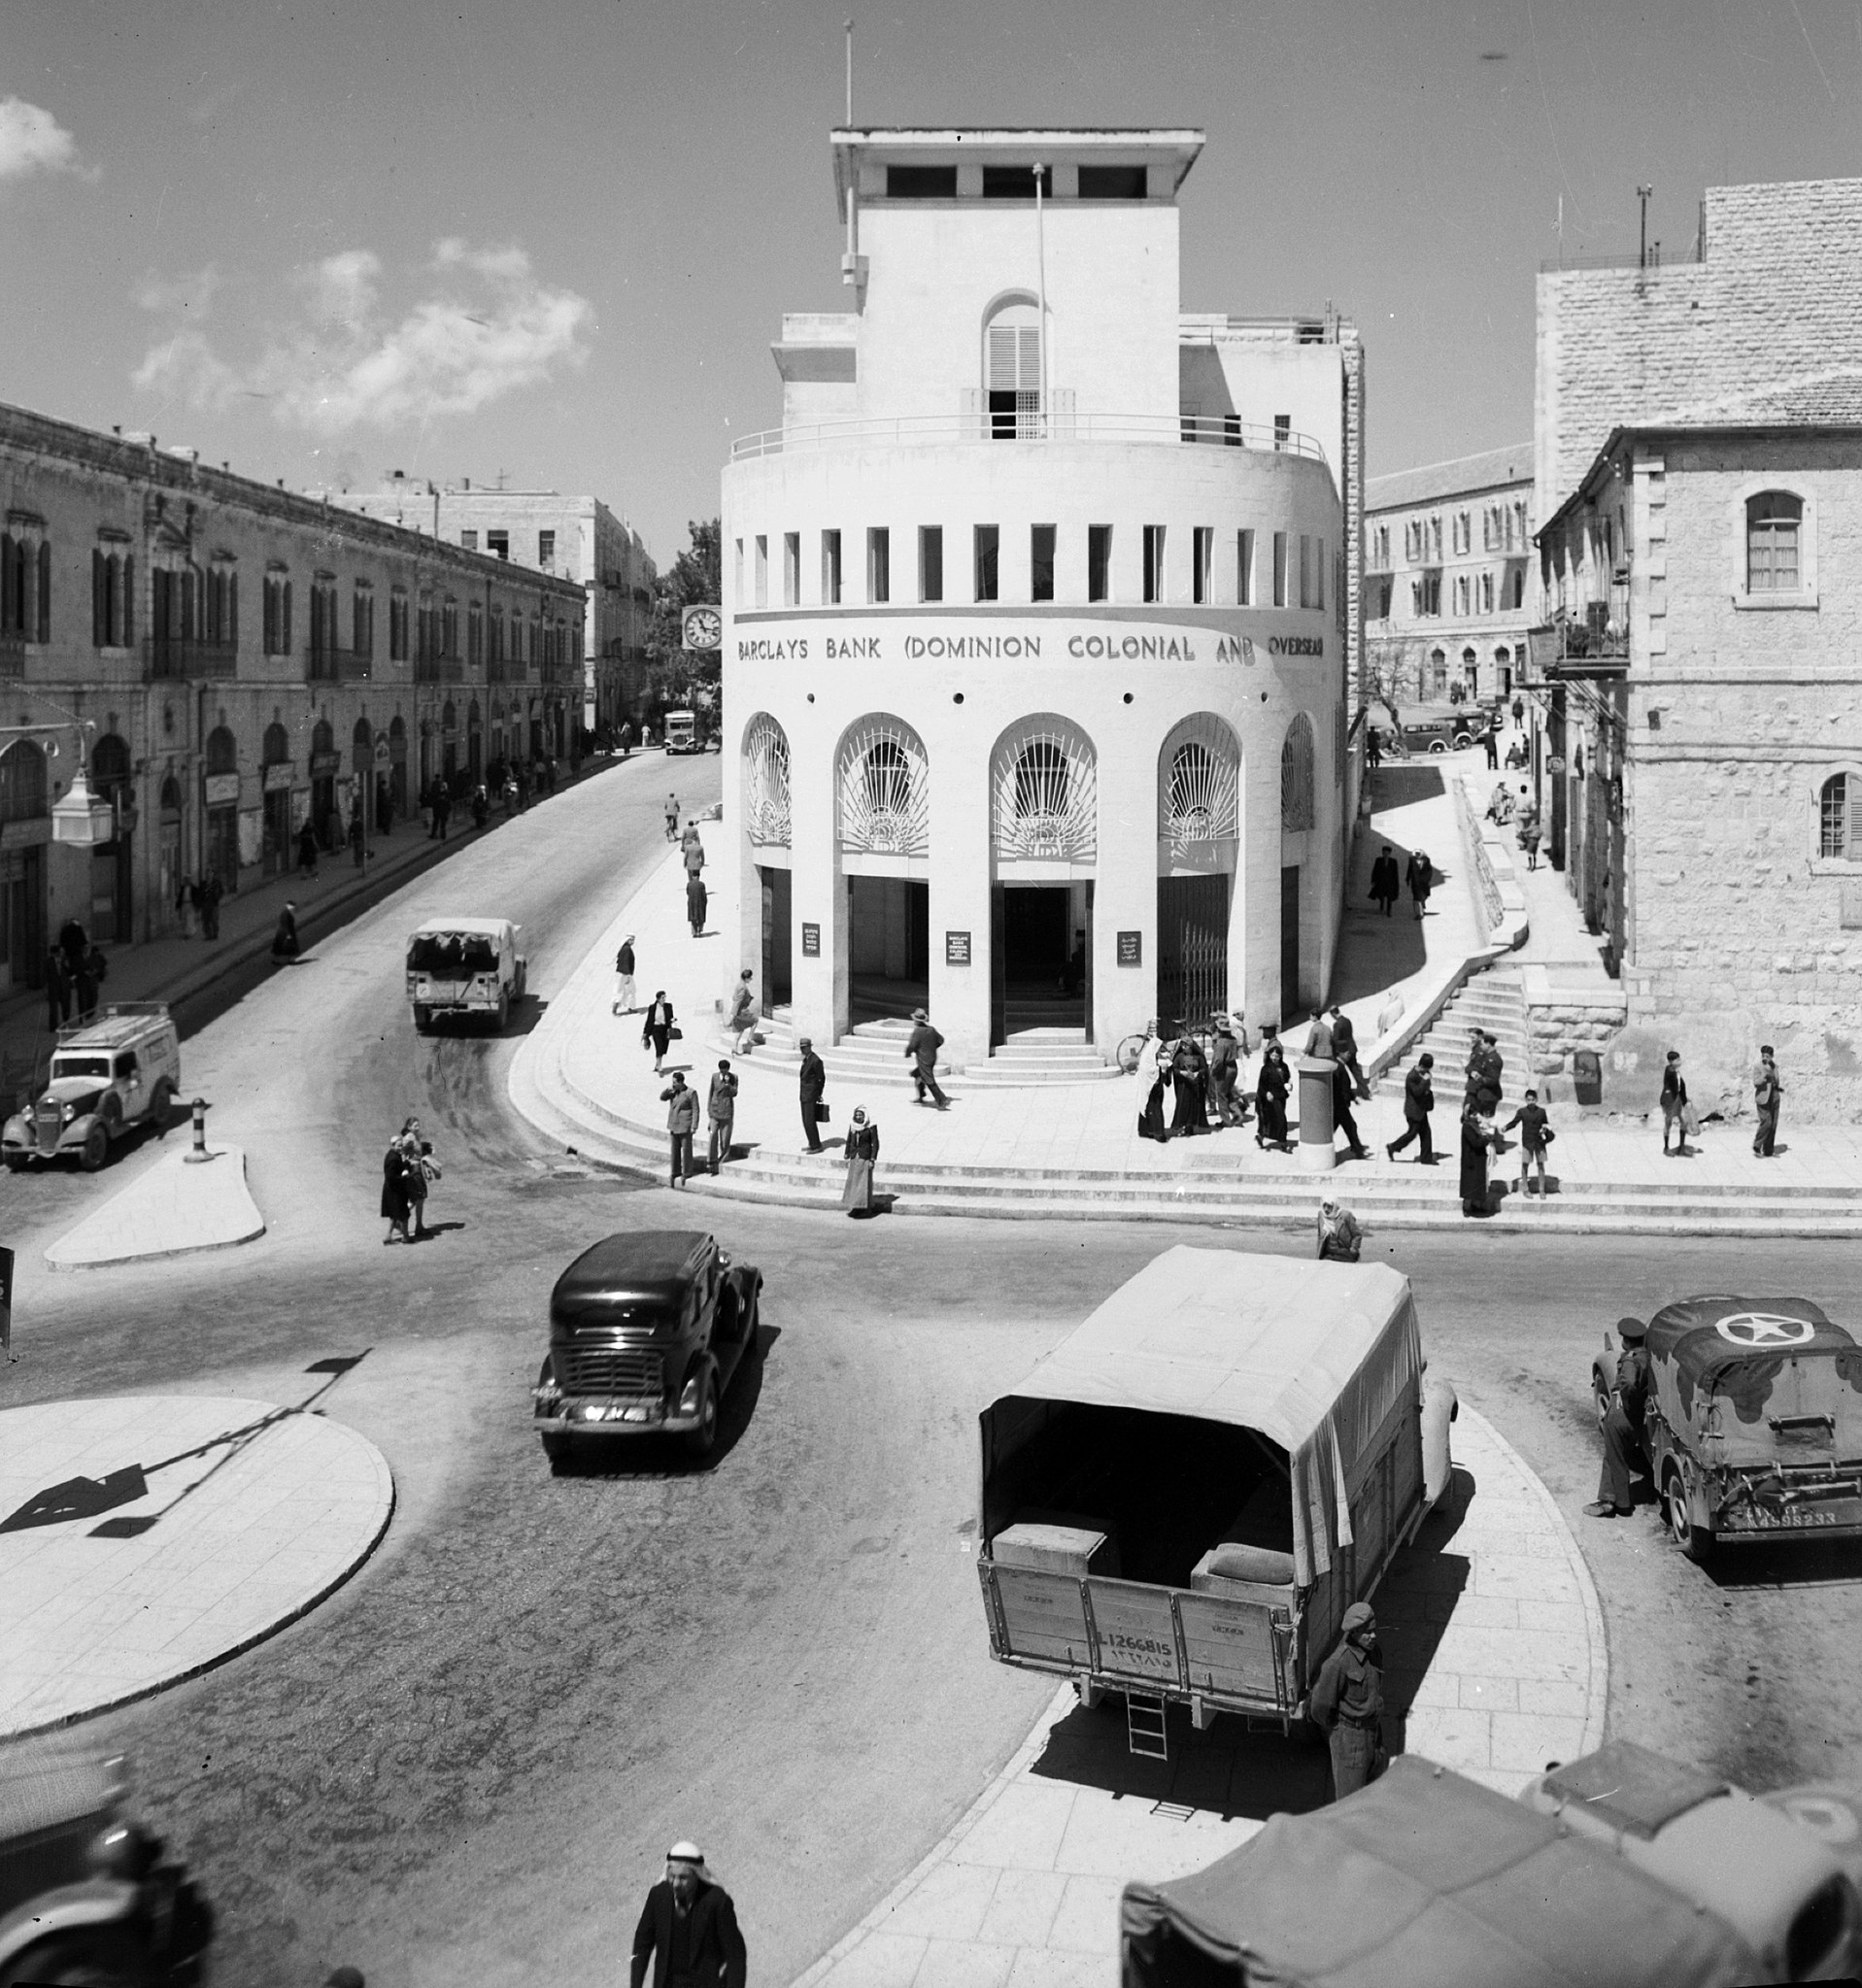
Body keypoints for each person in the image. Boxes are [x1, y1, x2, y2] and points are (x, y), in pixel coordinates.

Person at [629, 1841, 746, 1988]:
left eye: (683, 1878)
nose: (676, 1883)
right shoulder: (658, 1896)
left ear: (697, 1876)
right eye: (672, 1876)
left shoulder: (717, 1902)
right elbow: (642, 1944)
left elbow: (736, 1955)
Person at [1308, 1601, 1385, 1801]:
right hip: (1351, 1742)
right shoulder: (1338, 1663)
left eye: (1374, 1630)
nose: (1373, 1636)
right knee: (1350, 1802)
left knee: (1373, 1795)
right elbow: (1320, 1707)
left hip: (1374, 1735)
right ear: (1354, 1633)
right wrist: (1338, 1731)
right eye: (1368, 1632)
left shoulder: (1374, 1653)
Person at [1585, 1318, 1651, 1519]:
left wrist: (1625, 1400)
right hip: (1636, 1418)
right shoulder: (1647, 1357)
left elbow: (1629, 1384)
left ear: (1627, 1341)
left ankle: (1619, 1504)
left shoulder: (1630, 1359)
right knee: (1613, 1456)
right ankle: (1608, 1498)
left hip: (1620, 1415)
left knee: (1615, 1458)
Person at [1503, 1087, 1552, 1198]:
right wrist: (1505, 1127)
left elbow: (1546, 1123)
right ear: (1526, 1100)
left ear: (1536, 1100)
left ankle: (1542, 1189)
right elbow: (1514, 1122)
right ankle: (1525, 1189)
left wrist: (1544, 1128)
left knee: (1541, 1165)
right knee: (1525, 1165)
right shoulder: (1522, 1112)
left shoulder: (1541, 1112)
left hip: (1539, 1142)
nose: (1531, 1102)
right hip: (1527, 1142)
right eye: (1529, 1100)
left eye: (1533, 1100)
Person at [1460, 1095, 1498, 1216]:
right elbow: (1475, 1143)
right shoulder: (1467, 1127)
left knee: (1477, 1184)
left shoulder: (1474, 1125)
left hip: (1478, 1159)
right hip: (1471, 1160)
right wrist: (1486, 1139)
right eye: (1473, 1114)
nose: (1476, 1116)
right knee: (1470, 1185)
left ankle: (1476, 1205)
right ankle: (1467, 1207)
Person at [399, 1117, 436, 1239]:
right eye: (415, 1126)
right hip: (414, 1170)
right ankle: (400, 1218)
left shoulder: (415, 1136)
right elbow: (402, 1152)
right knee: (416, 1198)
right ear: (409, 1127)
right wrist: (405, 1167)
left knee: (420, 1198)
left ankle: (418, 1226)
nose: (417, 1127)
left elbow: (416, 1152)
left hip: (418, 1169)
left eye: (418, 1125)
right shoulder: (409, 1137)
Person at [661, 1072, 699, 1187]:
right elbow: (662, 1098)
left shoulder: (690, 1093)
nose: (673, 1084)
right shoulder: (673, 1092)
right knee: (675, 1150)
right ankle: (675, 1171)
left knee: (686, 1150)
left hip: (685, 1125)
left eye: (675, 1082)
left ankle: (687, 1172)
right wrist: (667, 1090)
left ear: (681, 1082)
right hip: (674, 1123)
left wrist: (694, 1126)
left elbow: (695, 1110)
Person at [905, 1008, 949, 1109]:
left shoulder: (918, 1032)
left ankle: (942, 1100)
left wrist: (908, 1053)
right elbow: (941, 1040)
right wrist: (932, 1047)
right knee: (917, 1074)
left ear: (916, 1021)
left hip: (923, 1059)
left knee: (928, 1079)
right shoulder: (931, 1030)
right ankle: (921, 1096)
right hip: (932, 1058)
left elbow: (912, 1045)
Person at [841, 1106, 880, 1216]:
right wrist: (847, 1153)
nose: (858, 1117)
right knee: (853, 1183)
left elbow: (875, 1143)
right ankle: (855, 1207)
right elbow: (849, 1140)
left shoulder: (871, 1127)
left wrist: (872, 1158)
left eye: (860, 1115)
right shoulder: (853, 1126)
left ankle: (866, 1209)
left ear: (865, 1116)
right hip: (855, 1157)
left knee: (863, 1184)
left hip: (865, 1157)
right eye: (857, 1115)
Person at [1170, 1032, 1209, 1136]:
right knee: (1183, 1105)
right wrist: (1182, 1073)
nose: (1184, 1047)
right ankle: (1184, 1125)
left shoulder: (1198, 1057)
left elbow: (1204, 1068)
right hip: (1183, 1086)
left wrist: (1197, 1073)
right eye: (1182, 1045)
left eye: (1186, 1045)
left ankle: (1191, 1126)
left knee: (1194, 1106)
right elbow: (1174, 1069)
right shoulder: (1179, 1057)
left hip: (1196, 1086)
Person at [1207, 1017, 1244, 1129]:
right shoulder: (1233, 1039)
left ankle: (1225, 1120)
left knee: (1221, 1095)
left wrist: (1213, 1071)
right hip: (1233, 1066)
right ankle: (1237, 1114)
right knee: (1228, 1092)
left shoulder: (1221, 1043)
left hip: (1224, 1069)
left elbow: (1219, 1060)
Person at [1255, 1040, 1291, 1151]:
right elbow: (1261, 1084)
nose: (1275, 1057)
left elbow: (1287, 1078)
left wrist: (1289, 1085)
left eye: (1277, 1055)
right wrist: (1266, 1093)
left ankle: (1262, 1136)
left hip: (1281, 1096)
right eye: (1273, 1055)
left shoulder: (1284, 1067)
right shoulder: (1266, 1068)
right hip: (1270, 1098)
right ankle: (1284, 1143)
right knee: (1277, 1118)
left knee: (1276, 1119)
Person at [1330, 1005, 1368, 1099]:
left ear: (1333, 1014)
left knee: (1340, 1071)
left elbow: (1336, 1040)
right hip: (1352, 1048)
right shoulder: (1347, 1021)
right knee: (1355, 1071)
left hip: (1344, 1052)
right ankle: (1365, 1091)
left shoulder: (1337, 1024)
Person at [706, 1060, 738, 1175]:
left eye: (725, 1070)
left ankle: (724, 1155)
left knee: (725, 1138)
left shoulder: (734, 1078)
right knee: (713, 1134)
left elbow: (735, 1093)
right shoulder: (714, 1077)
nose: (723, 1072)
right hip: (715, 1110)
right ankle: (711, 1159)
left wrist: (728, 1086)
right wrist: (709, 1110)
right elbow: (711, 1092)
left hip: (726, 1110)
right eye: (721, 1070)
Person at [381, 1133, 412, 1245]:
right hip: (395, 1192)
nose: (401, 1148)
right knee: (404, 1215)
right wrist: (403, 1176)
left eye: (401, 1145)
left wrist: (406, 1163)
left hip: (393, 1191)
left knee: (394, 1216)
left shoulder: (394, 1155)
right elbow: (390, 1177)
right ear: (392, 1146)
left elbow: (403, 1167)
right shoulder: (393, 1159)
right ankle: (406, 1237)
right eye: (399, 1146)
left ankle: (388, 1236)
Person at [1753, 1045, 1782, 1158]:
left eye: (1768, 1056)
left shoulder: (1774, 1067)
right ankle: (1757, 1146)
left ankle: (1769, 1150)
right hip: (1763, 1098)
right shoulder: (1758, 1067)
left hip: (1774, 1097)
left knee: (1773, 1125)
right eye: (1763, 1056)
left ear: (1772, 1056)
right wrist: (1763, 1077)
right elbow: (1756, 1083)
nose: (1765, 1058)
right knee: (1767, 1122)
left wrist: (1773, 1072)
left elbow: (1777, 1082)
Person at [798, 1037, 827, 1152]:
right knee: (805, 1120)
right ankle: (811, 1142)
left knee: (810, 1120)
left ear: (810, 1047)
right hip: (804, 1094)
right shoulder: (806, 1059)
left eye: (804, 1048)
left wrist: (818, 1093)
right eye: (801, 1048)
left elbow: (821, 1079)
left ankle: (816, 1145)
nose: (802, 1050)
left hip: (811, 1095)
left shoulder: (816, 1060)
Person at [1660, 1048, 1689, 1157]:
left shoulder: (1676, 1072)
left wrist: (1685, 1100)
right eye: (1677, 1060)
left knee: (1684, 1121)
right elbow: (1672, 1080)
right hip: (1669, 1100)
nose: (1680, 1062)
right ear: (1671, 1062)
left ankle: (1681, 1146)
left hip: (1677, 1099)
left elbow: (1682, 1086)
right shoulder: (1669, 1071)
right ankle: (1666, 1148)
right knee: (1668, 1123)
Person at [1316, 1196, 1363, 1263]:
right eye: (1324, 1206)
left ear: (1335, 1206)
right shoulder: (1321, 1215)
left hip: (1345, 1253)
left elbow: (1357, 1235)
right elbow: (1320, 1236)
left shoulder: (1346, 1215)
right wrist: (1318, 1254)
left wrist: (1353, 1248)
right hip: (1328, 1254)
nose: (1326, 1209)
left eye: (1329, 1206)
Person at [642, 991, 676, 1074]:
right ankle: (660, 1066)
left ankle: (657, 1065)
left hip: (665, 1029)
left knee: (664, 1048)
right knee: (659, 1047)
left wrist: (672, 1020)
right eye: (662, 997)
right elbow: (649, 1020)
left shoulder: (668, 1006)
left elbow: (670, 1016)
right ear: (658, 999)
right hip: (656, 1029)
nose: (664, 999)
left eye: (665, 997)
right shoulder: (653, 1007)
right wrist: (645, 1032)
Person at [728, 969, 758, 1054]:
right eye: (750, 978)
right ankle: (750, 1038)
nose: (751, 979)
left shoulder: (739, 985)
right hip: (741, 1011)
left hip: (738, 1012)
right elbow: (738, 1000)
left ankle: (734, 1046)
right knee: (755, 1020)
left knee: (740, 1029)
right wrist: (734, 1013)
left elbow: (734, 997)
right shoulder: (743, 987)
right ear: (746, 978)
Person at [43, 946, 69, 1030]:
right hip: (53, 988)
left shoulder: (64, 960)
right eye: (60, 952)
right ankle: (53, 1026)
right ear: (55, 953)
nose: (62, 953)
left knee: (66, 1006)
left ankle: (66, 1022)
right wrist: (46, 988)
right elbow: (45, 974)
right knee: (53, 1008)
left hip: (63, 987)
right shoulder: (48, 961)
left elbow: (69, 971)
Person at [1369, 844, 1399, 916]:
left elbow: (1395, 873)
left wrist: (1395, 883)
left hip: (1389, 882)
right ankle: (1381, 905)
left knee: (1389, 897)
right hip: (1381, 882)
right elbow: (1375, 870)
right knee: (1381, 895)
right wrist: (1373, 880)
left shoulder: (1393, 862)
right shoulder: (1378, 860)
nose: (1385, 854)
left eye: (1386, 853)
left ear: (1389, 853)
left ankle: (1389, 911)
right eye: (1384, 853)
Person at [1405, 849, 1434, 920]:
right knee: (1417, 898)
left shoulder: (1426, 860)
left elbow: (1429, 871)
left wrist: (1426, 879)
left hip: (1424, 883)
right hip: (1415, 882)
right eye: (1416, 854)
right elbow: (1410, 869)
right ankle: (1418, 913)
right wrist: (1408, 879)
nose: (1417, 855)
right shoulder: (1412, 860)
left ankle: (1422, 910)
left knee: (1424, 896)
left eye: (1419, 853)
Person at [613, 936, 637, 1016]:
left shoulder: (624, 948)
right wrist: (627, 976)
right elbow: (626, 962)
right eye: (632, 940)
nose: (633, 942)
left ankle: (615, 1009)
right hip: (625, 973)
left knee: (619, 990)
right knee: (630, 990)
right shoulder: (627, 949)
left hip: (620, 973)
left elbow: (619, 960)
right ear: (629, 940)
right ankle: (630, 1008)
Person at [199, 872, 222, 940]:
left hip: (213, 904)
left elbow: (221, 891)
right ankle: (208, 935)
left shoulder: (216, 883)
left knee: (214, 920)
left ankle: (215, 934)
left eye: (210, 873)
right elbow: (200, 893)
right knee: (205, 920)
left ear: (212, 874)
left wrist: (217, 897)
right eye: (207, 873)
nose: (208, 875)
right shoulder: (203, 883)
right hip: (205, 905)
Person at [687, 873, 708, 938]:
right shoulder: (702, 884)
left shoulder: (689, 884)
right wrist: (705, 901)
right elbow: (704, 894)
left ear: (693, 877)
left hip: (691, 902)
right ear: (698, 877)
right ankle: (699, 931)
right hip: (700, 902)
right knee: (700, 917)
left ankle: (694, 932)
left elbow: (687, 893)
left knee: (693, 918)